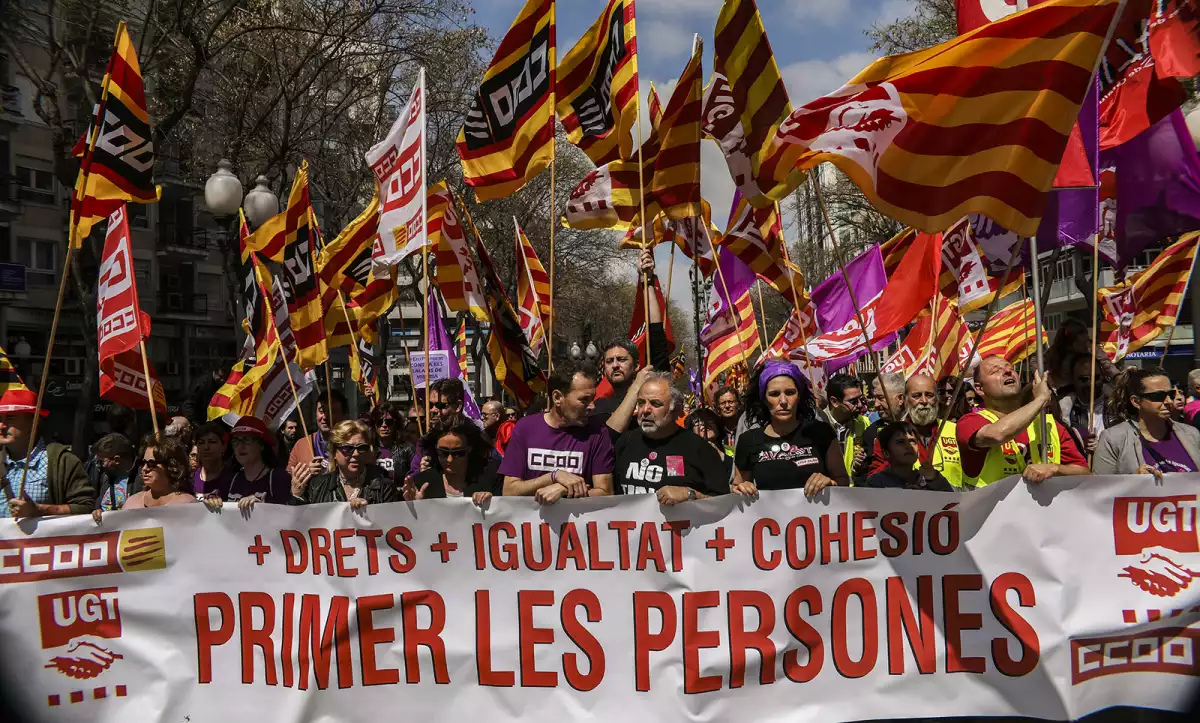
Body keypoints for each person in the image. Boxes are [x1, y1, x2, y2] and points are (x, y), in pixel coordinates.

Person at [956, 356, 1090, 487]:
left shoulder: (1048, 424)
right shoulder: (970, 422)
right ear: (979, 389)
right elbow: (997, 435)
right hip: (993, 508)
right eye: (996, 370)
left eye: (1010, 368)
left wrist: (1055, 469)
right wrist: (1041, 399)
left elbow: (1085, 473)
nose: (1007, 371)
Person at [499, 361, 614, 504]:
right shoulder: (525, 428)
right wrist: (553, 477)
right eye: (584, 400)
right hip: (532, 524)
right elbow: (509, 491)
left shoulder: (597, 433)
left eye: (592, 398)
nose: (592, 406)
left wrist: (565, 489)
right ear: (558, 398)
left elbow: (606, 493)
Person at [732, 361, 849, 498]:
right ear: (764, 399)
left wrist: (831, 483)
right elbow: (737, 487)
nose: (783, 401)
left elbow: (843, 482)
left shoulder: (821, 432)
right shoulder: (748, 440)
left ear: (799, 396)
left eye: (790, 392)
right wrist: (741, 488)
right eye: (774, 394)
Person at [613, 373, 729, 504]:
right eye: (640, 403)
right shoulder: (624, 443)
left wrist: (691, 494)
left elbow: (724, 505)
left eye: (655, 404)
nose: (645, 410)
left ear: (676, 409)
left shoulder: (699, 449)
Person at [595, 250, 671, 435]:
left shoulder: (653, 394)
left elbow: (655, 332)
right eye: (609, 361)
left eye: (621, 359)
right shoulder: (598, 406)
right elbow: (608, 437)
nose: (615, 365)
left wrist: (648, 281)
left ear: (637, 365)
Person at [1, 389, 93, 519]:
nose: (2, 425)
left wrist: (39, 510)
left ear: (34, 421)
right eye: (0, 418)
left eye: (10, 418)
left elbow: (85, 507)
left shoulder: (62, 461)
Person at [1093, 367, 1200, 477]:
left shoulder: (1191, 434)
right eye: (1159, 396)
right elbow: (1100, 488)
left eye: (1171, 394)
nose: (1168, 401)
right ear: (1136, 402)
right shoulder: (1113, 439)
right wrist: (1135, 481)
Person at [864, 374, 963, 487]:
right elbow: (875, 483)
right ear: (904, 399)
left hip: (951, 501)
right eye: (916, 396)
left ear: (937, 398)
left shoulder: (955, 430)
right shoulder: (888, 436)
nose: (924, 401)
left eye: (929, 395)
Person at [294, 420, 400, 508]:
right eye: (347, 448)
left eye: (362, 448)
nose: (356, 454)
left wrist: (369, 513)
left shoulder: (385, 487)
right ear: (334, 452)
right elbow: (303, 524)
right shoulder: (317, 486)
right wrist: (296, 496)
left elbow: (391, 526)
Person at [404, 416, 501, 505]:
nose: (450, 459)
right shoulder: (421, 484)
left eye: (458, 453)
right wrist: (416, 506)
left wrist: (493, 502)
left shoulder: (490, 480)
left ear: (470, 449)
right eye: (443, 453)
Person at [205, 416, 291, 509]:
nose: (240, 446)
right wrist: (212, 500)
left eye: (247, 440)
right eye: (236, 441)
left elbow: (285, 516)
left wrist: (262, 507)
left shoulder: (278, 478)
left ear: (261, 445)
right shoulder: (229, 480)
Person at [866, 422, 954, 491]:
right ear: (886, 453)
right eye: (900, 442)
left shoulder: (930, 479)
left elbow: (953, 502)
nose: (909, 446)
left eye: (912, 441)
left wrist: (935, 480)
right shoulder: (876, 484)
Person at [287, 389, 346, 493]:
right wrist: (306, 473)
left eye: (332, 411)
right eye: (321, 411)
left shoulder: (351, 444)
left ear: (343, 415)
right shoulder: (301, 444)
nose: (325, 417)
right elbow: (287, 479)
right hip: (310, 505)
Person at [409, 378, 467, 476]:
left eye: (440, 405)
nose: (433, 410)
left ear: (458, 406)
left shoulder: (476, 439)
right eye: (431, 405)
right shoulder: (425, 443)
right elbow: (410, 479)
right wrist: (420, 473)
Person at [858, 373, 906, 481]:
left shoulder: (918, 427)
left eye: (880, 398)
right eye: (875, 398)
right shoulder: (871, 432)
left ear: (900, 399)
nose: (875, 404)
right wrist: (858, 467)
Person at [1058, 354, 1107, 456]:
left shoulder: (1116, 407)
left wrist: (1104, 447)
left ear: (1103, 377)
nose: (1090, 383)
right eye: (1083, 379)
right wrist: (1079, 444)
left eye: (1095, 377)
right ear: (1073, 380)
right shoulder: (1063, 411)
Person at [824, 374, 870, 482]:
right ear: (834, 402)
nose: (859, 405)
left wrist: (860, 466)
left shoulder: (865, 423)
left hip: (854, 492)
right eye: (853, 401)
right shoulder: (818, 424)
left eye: (861, 399)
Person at [90, 433, 138, 512]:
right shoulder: (106, 476)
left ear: (116, 460)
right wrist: (97, 511)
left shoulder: (142, 478)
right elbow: (98, 505)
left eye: (101, 461)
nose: (100, 466)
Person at [686, 407, 734, 479]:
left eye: (709, 420)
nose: (704, 424)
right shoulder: (688, 454)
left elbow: (737, 473)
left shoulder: (730, 450)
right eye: (697, 422)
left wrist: (721, 455)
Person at [373, 402, 414, 480]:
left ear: (396, 423)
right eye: (379, 422)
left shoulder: (407, 449)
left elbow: (415, 475)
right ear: (374, 424)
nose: (384, 425)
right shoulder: (368, 449)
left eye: (389, 422)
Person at [191, 422, 232, 496]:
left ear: (224, 446)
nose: (206, 447)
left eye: (212, 442)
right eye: (201, 443)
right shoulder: (190, 479)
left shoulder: (233, 479)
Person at [713, 386, 741, 457]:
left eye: (731, 402)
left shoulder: (747, 427)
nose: (727, 406)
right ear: (718, 407)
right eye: (723, 403)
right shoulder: (714, 431)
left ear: (738, 404)